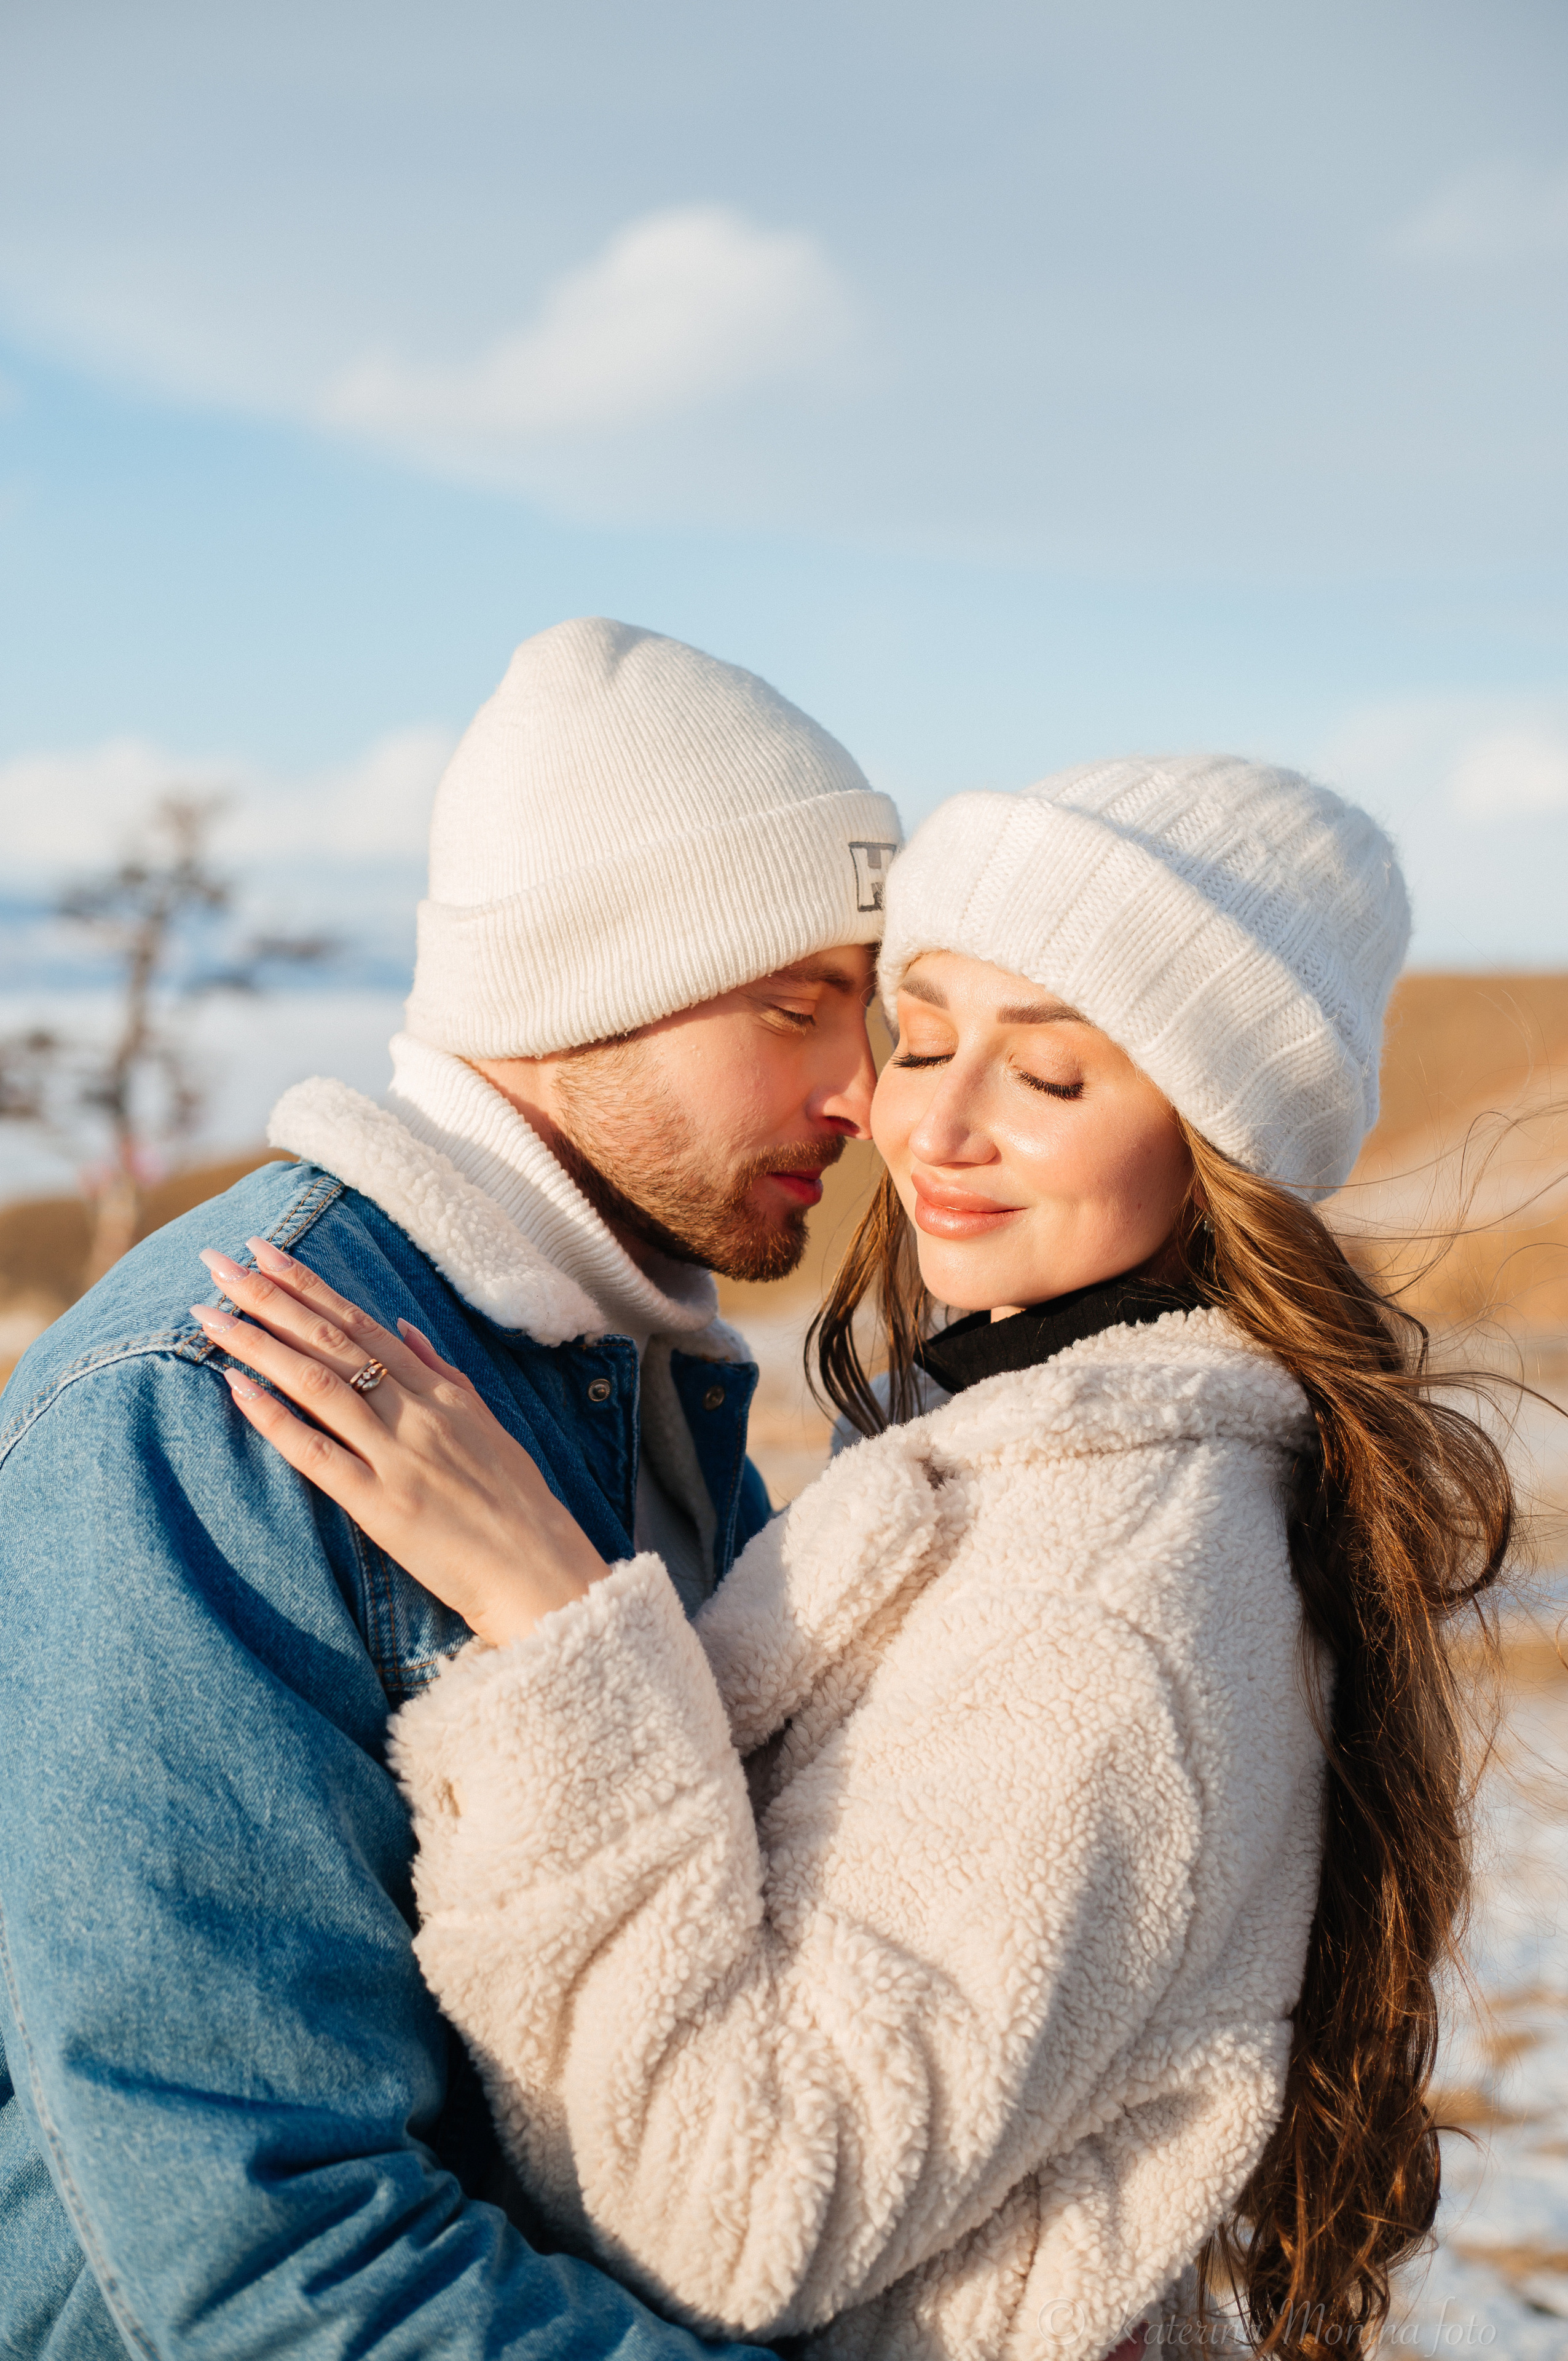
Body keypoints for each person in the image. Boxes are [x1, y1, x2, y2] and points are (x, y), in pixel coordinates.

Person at [206, 756, 1515, 2361]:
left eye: (1050, 1080)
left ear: (1212, 1148)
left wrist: (552, 1630)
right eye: (930, 1034)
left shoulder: (1108, 1608)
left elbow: (739, 2214)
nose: (933, 1125)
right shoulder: (1011, 1465)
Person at [0, 617, 901, 2359]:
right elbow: (264, 2255)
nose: (861, 1087)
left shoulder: (631, 1383)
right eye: (797, 1006)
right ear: (576, 995)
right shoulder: (216, 1403)